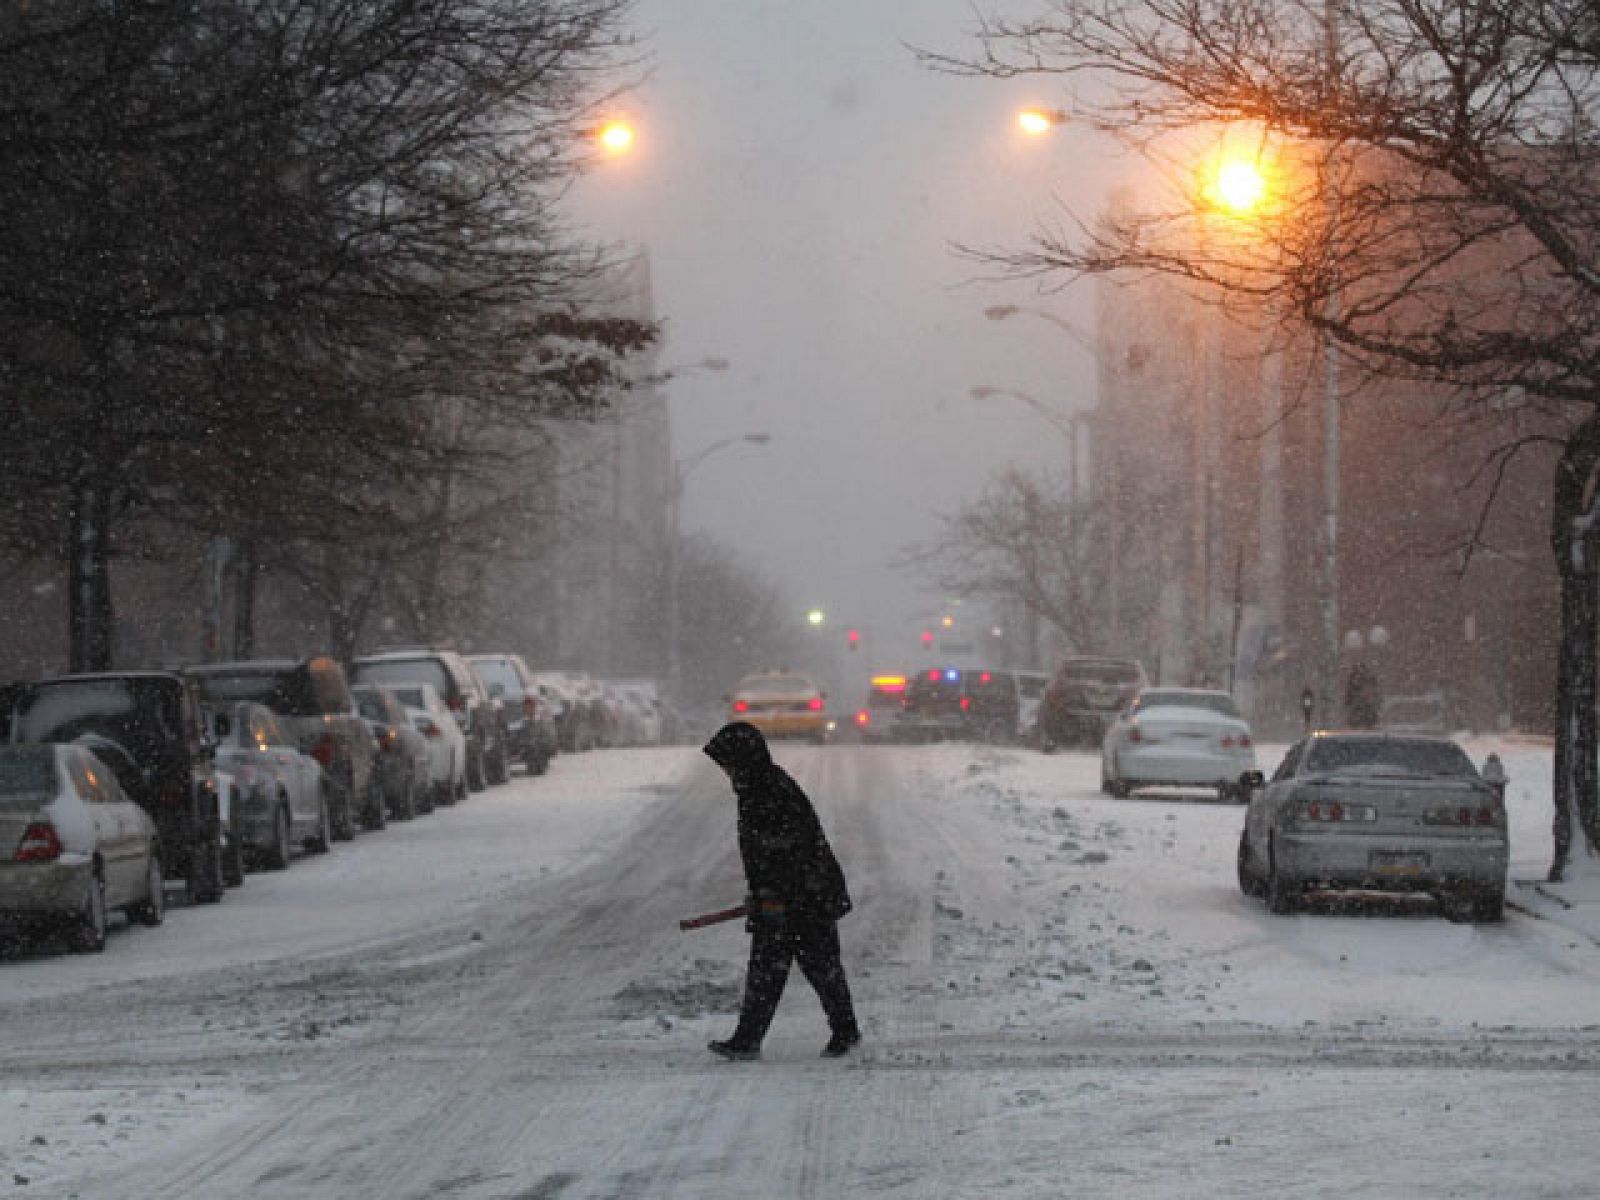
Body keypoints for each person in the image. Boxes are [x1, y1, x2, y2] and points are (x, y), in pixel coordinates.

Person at [702, 721, 861, 1061]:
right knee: (769, 969)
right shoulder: (756, 787)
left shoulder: (769, 791)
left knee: (817, 965)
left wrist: (776, 892)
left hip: (806, 896)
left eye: (727, 763)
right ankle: (749, 1039)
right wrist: (764, 892)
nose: (726, 771)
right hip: (787, 896)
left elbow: (792, 846)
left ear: (744, 759)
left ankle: (845, 1031)